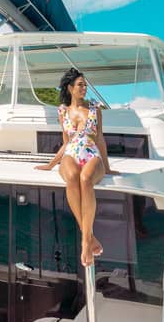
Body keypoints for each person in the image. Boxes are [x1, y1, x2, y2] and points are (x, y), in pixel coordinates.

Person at [34, 67, 113, 266]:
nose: (84, 88)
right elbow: (66, 141)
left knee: (85, 180)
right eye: (80, 85)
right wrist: (51, 164)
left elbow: (100, 139)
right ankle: (88, 237)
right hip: (71, 153)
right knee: (72, 177)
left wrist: (108, 167)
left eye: (85, 84)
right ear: (70, 88)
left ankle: (85, 240)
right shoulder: (62, 111)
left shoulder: (95, 108)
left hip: (91, 153)